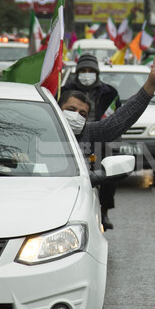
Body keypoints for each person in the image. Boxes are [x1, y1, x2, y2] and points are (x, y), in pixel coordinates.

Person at [59, 52, 155, 214]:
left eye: (82, 114)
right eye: (70, 110)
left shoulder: (88, 132)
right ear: (57, 109)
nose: (75, 115)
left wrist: (150, 84)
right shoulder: (42, 132)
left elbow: (122, 117)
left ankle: (105, 210)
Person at [61, 53, 120, 228]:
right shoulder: (64, 91)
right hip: (73, 139)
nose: (87, 74)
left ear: (97, 72)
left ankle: (105, 212)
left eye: (90, 70)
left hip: (101, 138)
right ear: (77, 72)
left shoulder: (111, 93)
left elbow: (117, 119)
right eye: (83, 70)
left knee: (109, 173)